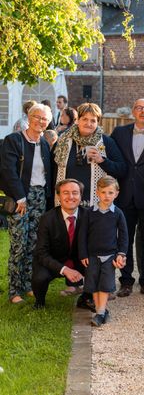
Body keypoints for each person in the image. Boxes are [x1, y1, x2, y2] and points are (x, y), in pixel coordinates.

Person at [110, 99, 144, 298]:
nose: (143, 111)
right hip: (124, 196)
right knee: (124, 240)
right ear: (133, 111)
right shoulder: (119, 133)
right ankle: (125, 281)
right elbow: (114, 161)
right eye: (139, 108)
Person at [0, 104, 53, 304]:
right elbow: (8, 171)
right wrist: (20, 197)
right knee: (19, 244)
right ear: (29, 117)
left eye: (45, 119)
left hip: (40, 197)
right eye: (37, 117)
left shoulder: (45, 144)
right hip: (19, 198)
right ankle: (14, 290)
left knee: (33, 243)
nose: (41, 121)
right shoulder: (14, 140)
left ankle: (28, 284)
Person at [32, 179, 93, 310]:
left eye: (75, 193)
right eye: (66, 193)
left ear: (81, 196)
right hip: (55, 260)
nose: (71, 197)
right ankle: (39, 302)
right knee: (40, 277)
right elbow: (41, 253)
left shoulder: (89, 215)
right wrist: (64, 269)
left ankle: (86, 298)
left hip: (80, 259)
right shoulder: (47, 219)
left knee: (97, 264)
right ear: (58, 196)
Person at [52, 103, 126, 207]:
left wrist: (102, 161)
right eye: (85, 119)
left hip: (95, 204)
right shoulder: (63, 141)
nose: (89, 123)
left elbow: (122, 169)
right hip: (68, 203)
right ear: (78, 120)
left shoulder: (106, 142)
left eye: (93, 120)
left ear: (98, 123)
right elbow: (52, 171)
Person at [78, 176, 127, 327]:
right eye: (103, 192)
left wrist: (121, 253)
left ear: (116, 194)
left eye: (110, 192)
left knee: (105, 285)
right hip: (92, 256)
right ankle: (101, 311)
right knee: (93, 284)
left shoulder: (118, 213)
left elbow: (124, 235)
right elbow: (82, 235)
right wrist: (83, 254)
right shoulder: (89, 213)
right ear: (97, 193)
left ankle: (100, 312)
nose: (107, 196)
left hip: (109, 256)